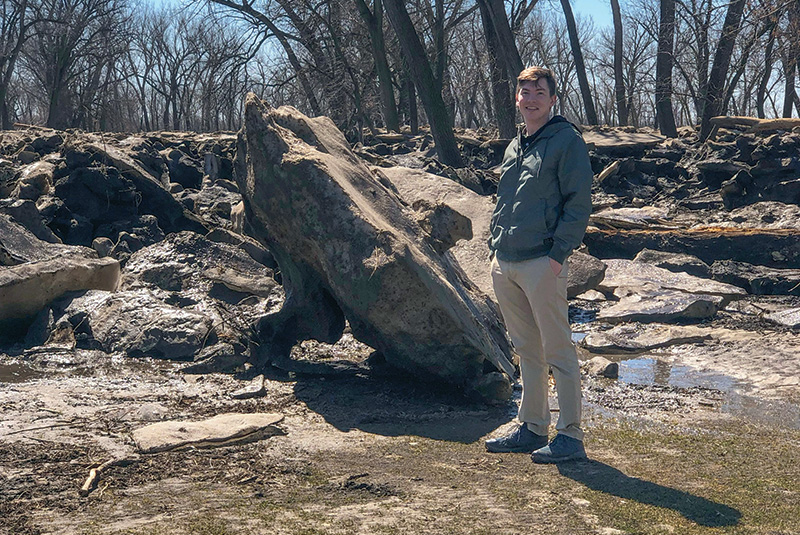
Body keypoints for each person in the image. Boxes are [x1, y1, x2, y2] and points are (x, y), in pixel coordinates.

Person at [484, 66, 593, 463]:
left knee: (558, 350)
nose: (531, 99)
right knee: (527, 349)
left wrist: (558, 255)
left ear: (552, 99)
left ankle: (571, 435)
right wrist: (494, 248)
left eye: (539, 92)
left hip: (542, 262)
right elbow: (504, 200)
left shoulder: (566, 141)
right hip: (506, 262)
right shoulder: (515, 146)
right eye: (525, 92)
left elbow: (579, 202)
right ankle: (532, 426)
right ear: (517, 98)